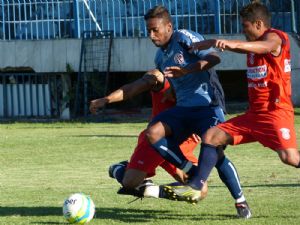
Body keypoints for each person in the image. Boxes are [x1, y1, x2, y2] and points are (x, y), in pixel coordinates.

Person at [165, 1, 300, 211]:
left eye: (245, 26)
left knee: (290, 158)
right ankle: (195, 185)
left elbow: (264, 46)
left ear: (258, 23)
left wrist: (227, 43)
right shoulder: (253, 46)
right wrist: (210, 42)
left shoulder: (276, 37)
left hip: (275, 114)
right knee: (211, 137)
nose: (243, 31)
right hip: (253, 116)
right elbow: (247, 48)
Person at [143, 5, 251, 218]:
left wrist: (187, 69)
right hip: (183, 109)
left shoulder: (184, 37)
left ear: (169, 27)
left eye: (155, 29)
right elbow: (175, 83)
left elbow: (214, 58)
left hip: (208, 105)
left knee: (216, 154)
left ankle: (240, 201)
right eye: (148, 30)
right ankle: (193, 173)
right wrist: (170, 93)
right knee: (153, 132)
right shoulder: (159, 57)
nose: (151, 35)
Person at [90, 69, 208, 200]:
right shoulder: (159, 76)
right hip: (156, 140)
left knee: (199, 191)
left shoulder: (202, 79)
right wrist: (107, 99)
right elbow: (131, 89)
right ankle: (118, 169)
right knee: (130, 183)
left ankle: (150, 190)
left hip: (181, 146)